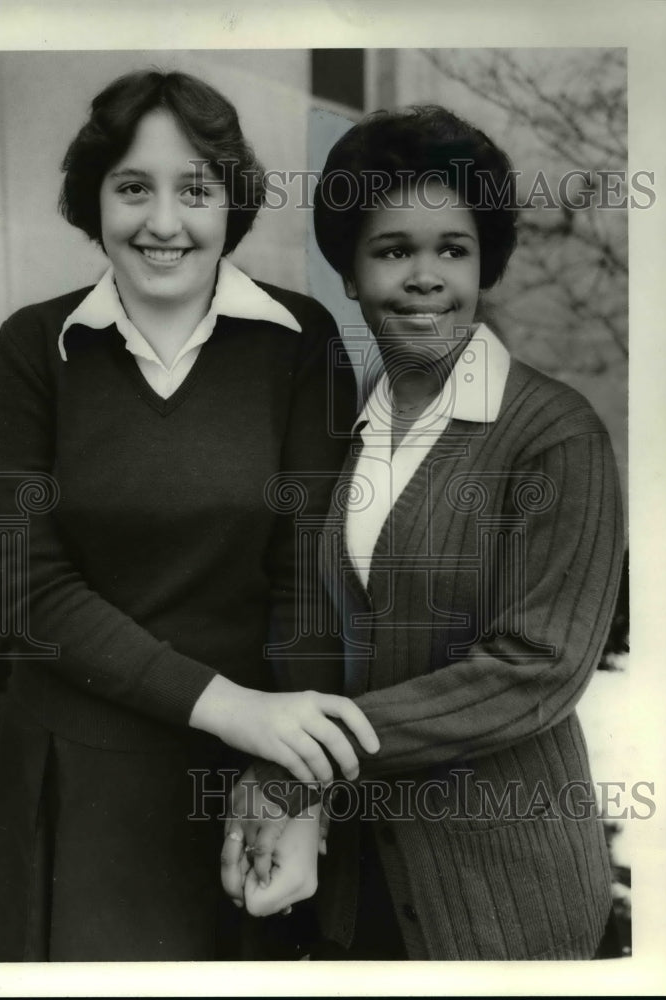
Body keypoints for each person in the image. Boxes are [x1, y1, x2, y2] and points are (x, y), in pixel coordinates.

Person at [0, 69, 380, 963]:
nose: (163, 223)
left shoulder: (299, 341)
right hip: (80, 778)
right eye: (132, 187)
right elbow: (25, 586)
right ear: (93, 200)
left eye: (194, 189)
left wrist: (291, 790)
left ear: (231, 203)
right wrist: (230, 707)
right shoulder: (37, 347)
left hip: (244, 784)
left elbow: (308, 576)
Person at [222, 105, 625, 961]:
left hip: (506, 892)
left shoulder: (553, 433)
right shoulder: (350, 429)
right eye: (393, 249)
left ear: (484, 263)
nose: (424, 276)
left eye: (452, 249)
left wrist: (307, 761)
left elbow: (535, 668)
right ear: (350, 269)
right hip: (365, 882)